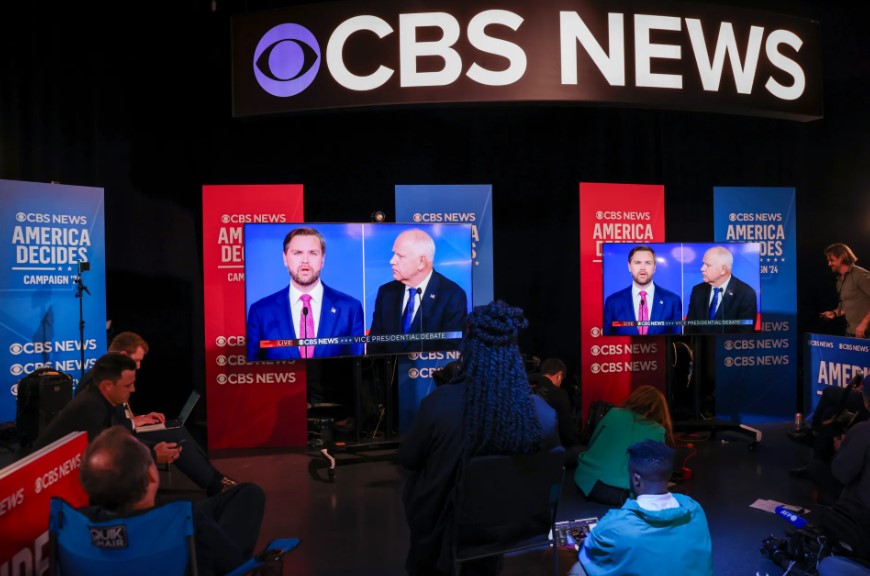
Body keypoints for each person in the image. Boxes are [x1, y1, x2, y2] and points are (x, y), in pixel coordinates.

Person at [396, 300, 560, 576]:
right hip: (514, 526)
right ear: (514, 351)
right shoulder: (542, 414)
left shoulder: (439, 406)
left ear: (467, 348)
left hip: (450, 531)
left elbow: (409, 459)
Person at [34, 352, 237, 496]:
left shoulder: (105, 398)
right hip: (48, 479)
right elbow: (106, 452)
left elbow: (118, 436)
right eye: (128, 385)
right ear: (107, 386)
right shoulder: (91, 407)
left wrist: (153, 450)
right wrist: (153, 454)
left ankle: (217, 484)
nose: (133, 390)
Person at [79, 425, 266, 576]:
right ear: (151, 477)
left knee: (246, 494)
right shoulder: (185, 521)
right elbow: (233, 565)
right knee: (250, 495)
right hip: (186, 547)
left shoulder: (76, 526)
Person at [569, 440, 713, 576]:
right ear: (669, 476)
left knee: (576, 568)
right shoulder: (694, 508)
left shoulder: (615, 525)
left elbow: (587, 550)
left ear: (636, 479)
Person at [247, 226, 365, 360]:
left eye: (313, 253)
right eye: (297, 253)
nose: (305, 260)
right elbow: (254, 368)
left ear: (323, 259)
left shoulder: (350, 308)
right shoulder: (261, 311)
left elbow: (357, 365)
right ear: (285, 258)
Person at [368, 228, 468, 354]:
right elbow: (375, 344)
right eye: (394, 254)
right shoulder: (386, 292)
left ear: (421, 262)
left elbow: (452, 350)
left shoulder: (452, 295)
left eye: (400, 256)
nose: (392, 261)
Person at [574, 385, 674, 506]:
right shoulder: (658, 430)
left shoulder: (613, 413)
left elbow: (592, 442)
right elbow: (656, 470)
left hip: (587, 483)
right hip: (622, 494)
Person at [818, 380, 870, 562]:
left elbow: (842, 473)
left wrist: (841, 450)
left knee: (821, 467)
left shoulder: (863, 432)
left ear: (866, 402)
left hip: (862, 524)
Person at [603, 245, 683, 335]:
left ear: (654, 267)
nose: (642, 268)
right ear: (629, 266)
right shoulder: (613, 302)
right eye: (637, 263)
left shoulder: (672, 301)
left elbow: (677, 338)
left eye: (648, 263)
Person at [685, 245, 758, 334]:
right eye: (703, 264)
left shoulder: (745, 293)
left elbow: (745, 332)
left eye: (707, 265)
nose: (702, 269)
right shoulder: (698, 290)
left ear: (723, 270)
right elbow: (690, 327)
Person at [819, 243, 870, 338]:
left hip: (866, 332)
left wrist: (864, 323)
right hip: (851, 332)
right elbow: (847, 304)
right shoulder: (839, 280)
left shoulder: (860, 275)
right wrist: (834, 313)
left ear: (842, 258)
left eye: (831, 260)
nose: (829, 264)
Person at [531, 358, 581, 452]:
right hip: (551, 450)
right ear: (559, 375)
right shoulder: (559, 393)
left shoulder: (528, 388)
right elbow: (567, 430)